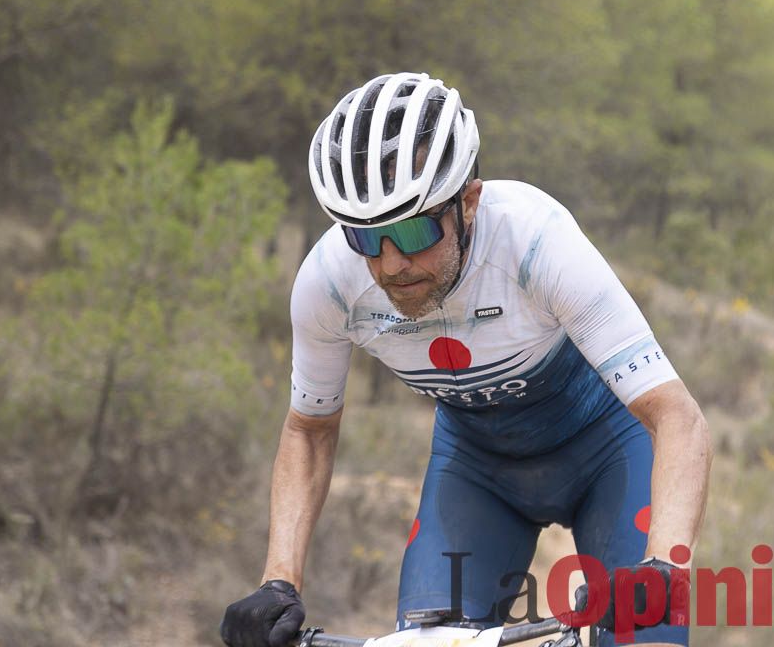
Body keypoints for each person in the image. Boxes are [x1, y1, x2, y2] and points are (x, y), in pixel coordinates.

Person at [221, 72, 712, 647]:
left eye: (411, 231)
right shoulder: (328, 284)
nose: (389, 264)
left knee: (642, 638)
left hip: (608, 452)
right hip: (479, 472)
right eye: (363, 237)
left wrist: (662, 568)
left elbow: (678, 417)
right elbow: (308, 430)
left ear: (469, 202)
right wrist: (278, 583)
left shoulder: (535, 240)